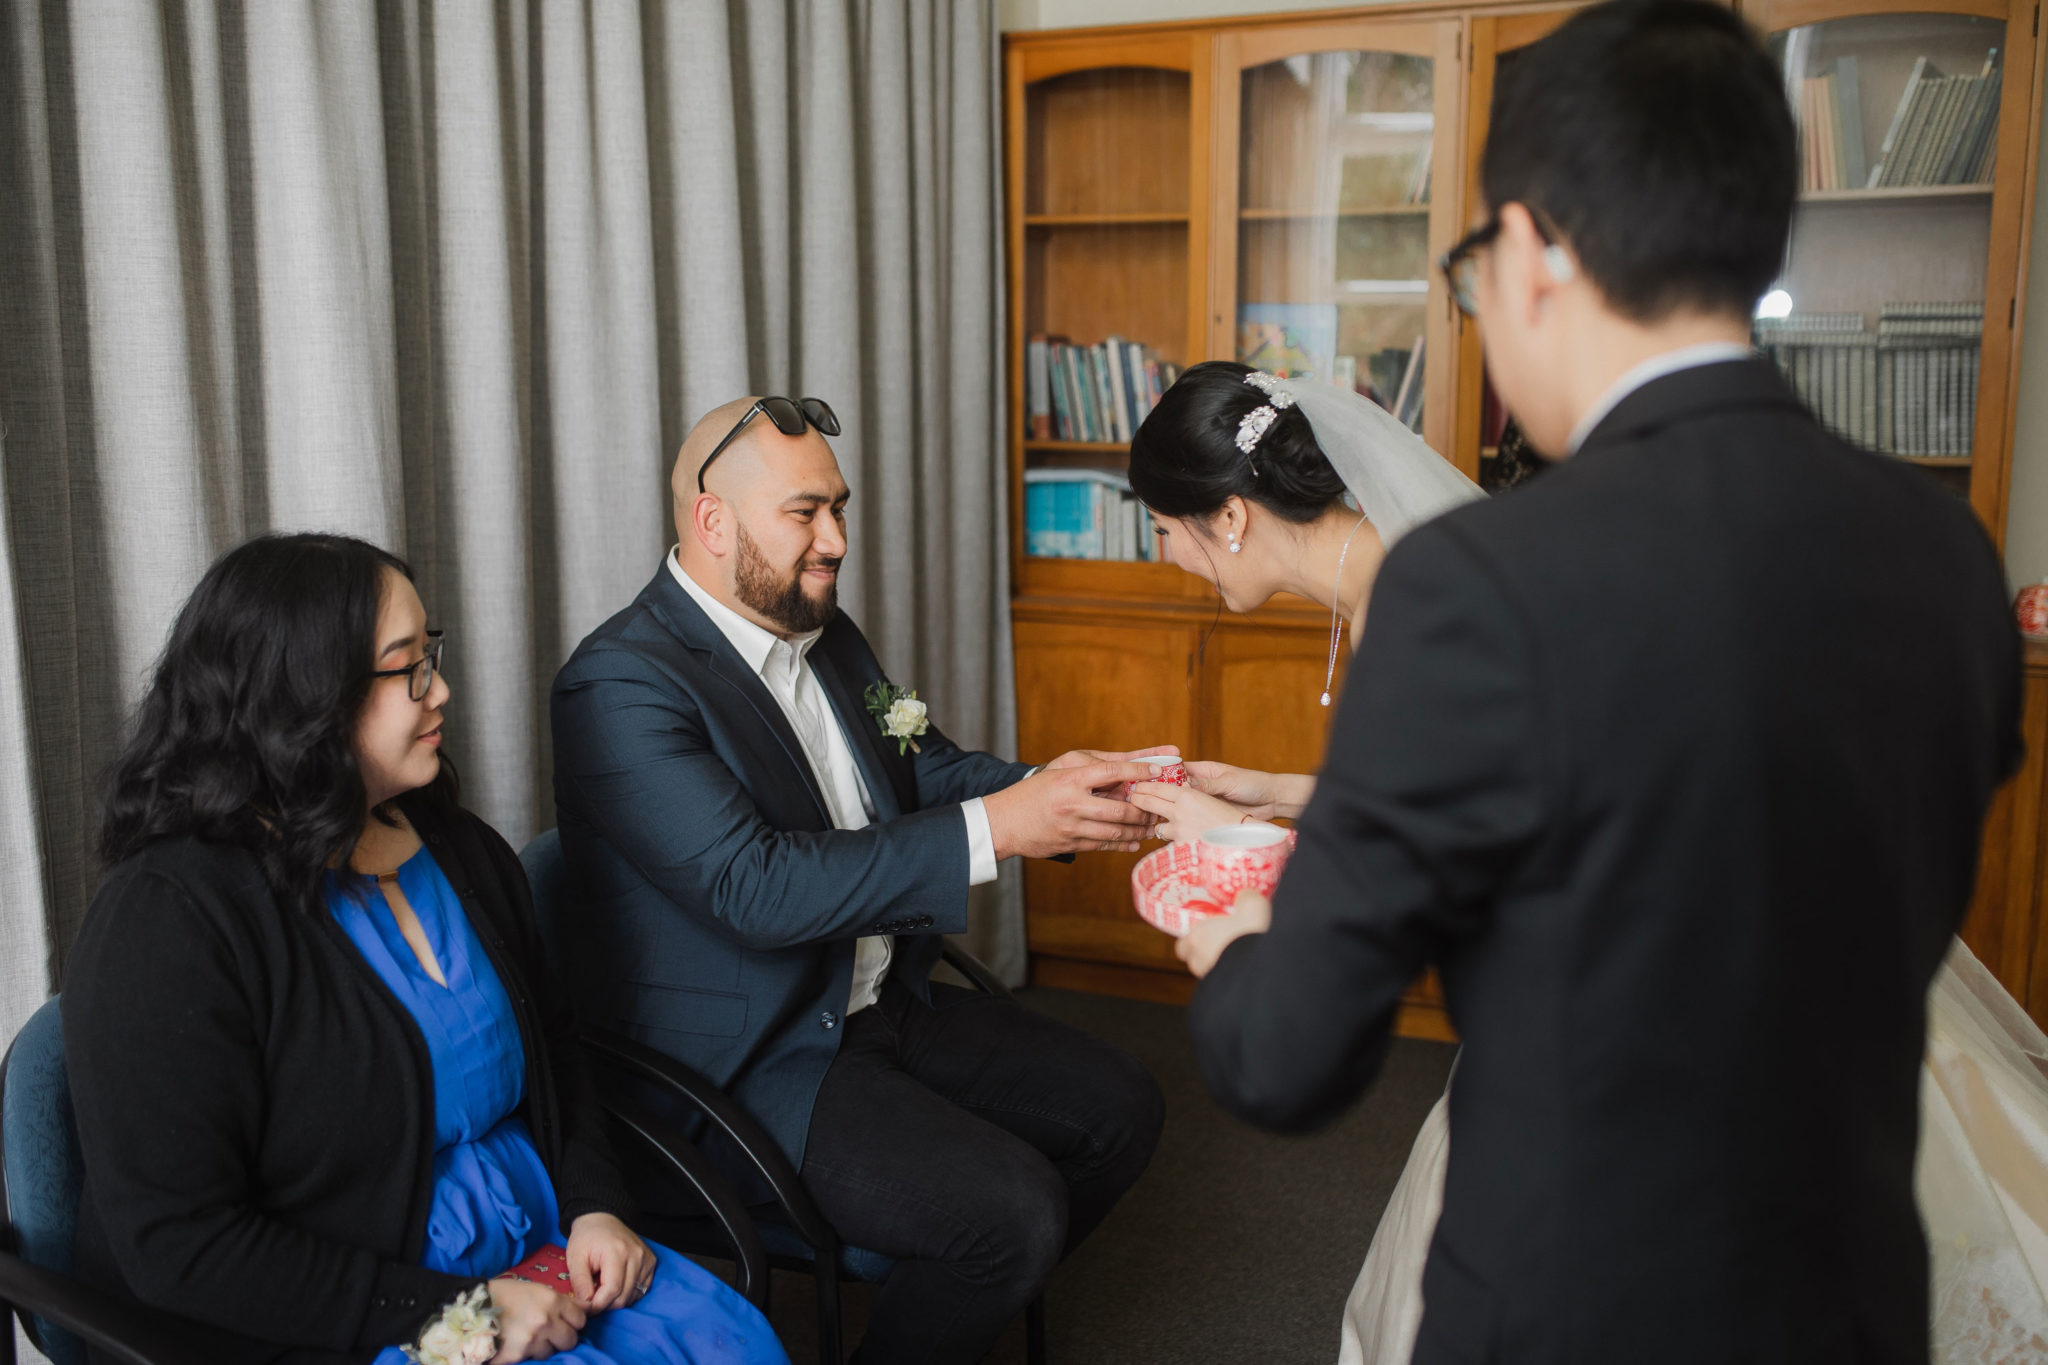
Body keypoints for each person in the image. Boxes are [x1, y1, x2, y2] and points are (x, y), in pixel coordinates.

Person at [1137, 2, 2023, 1360]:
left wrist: (1237, 938)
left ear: (1537, 245)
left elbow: (1290, 1056)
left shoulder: (1475, 588)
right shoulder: (1948, 560)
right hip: (1843, 1295)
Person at [63, 533, 788, 1365]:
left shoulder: (456, 847)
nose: (440, 688)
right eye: (407, 667)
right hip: (357, 1323)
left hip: (545, 1265)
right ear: (305, 695)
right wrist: (459, 1309)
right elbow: (181, 1248)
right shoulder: (169, 922)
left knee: (742, 1346)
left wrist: (597, 1205)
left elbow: (557, 1047)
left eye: (430, 654)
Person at [550, 396, 1167, 1365]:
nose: (835, 539)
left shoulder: (823, 632)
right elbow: (755, 887)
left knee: (1122, 1109)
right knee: (1011, 1214)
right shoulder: (619, 685)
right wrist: (1001, 826)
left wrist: (1059, 792)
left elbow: (919, 771)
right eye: (806, 513)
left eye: (838, 508)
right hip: (754, 1060)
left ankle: (942, 1313)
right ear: (712, 522)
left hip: (879, 997)